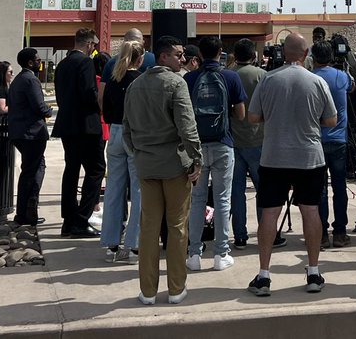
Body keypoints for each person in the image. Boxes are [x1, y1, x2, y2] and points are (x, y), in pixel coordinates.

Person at [245, 32, 337, 297]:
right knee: (310, 212)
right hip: (309, 157)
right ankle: (313, 272)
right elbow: (331, 120)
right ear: (306, 54)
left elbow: (253, 117)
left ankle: (263, 275)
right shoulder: (317, 81)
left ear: (284, 53)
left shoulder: (268, 80)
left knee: (270, 213)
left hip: (274, 156)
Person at [123, 37, 201, 304]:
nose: (183, 59)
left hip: (146, 164)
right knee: (177, 227)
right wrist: (196, 159)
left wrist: (139, 152)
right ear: (164, 57)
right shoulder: (176, 83)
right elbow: (187, 126)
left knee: (148, 227)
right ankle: (176, 288)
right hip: (174, 164)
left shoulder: (135, 85)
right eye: (179, 55)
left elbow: (127, 129)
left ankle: (147, 291)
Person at [184, 36, 247, 273]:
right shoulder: (230, 77)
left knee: (197, 200)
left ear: (199, 54)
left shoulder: (190, 78)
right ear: (220, 52)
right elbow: (240, 114)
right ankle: (221, 253)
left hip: (196, 146)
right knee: (222, 199)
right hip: (223, 143)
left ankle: (194, 254)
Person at [53, 28, 105, 239]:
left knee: (71, 169)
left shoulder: (63, 64)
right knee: (96, 169)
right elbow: (88, 93)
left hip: (67, 124)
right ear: (90, 44)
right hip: (86, 124)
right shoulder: (84, 63)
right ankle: (81, 219)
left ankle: (68, 220)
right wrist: (101, 102)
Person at [101, 39, 145, 262]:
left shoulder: (113, 80)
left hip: (115, 132)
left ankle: (111, 244)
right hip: (135, 134)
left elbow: (106, 111)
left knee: (114, 189)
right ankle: (134, 244)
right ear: (141, 58)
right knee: (138, 191)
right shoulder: (140, 81)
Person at [312, 40, 353, 248]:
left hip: (317, 140)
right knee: (340, 187)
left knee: (320, 190)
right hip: (338, 141)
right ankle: (340, 232)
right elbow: (353, 85)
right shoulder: (342, 77)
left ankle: (321, 235)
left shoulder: (311, 78)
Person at [8, 47, 52, 228]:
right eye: (37, 59)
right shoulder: (30, 80)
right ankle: (28, 211)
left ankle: (25, 212)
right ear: (29, 62)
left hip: (21, 132)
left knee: (31, 169)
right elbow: (39, 106)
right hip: (32, 134)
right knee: (33, 171)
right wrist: (49, 111)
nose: (40, 62)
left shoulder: (18, 79)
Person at [230, 39, 266, 249]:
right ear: (254, 56)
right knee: (264, 190)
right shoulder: (261, 75)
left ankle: (240, 235)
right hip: (258, 138)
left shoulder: (228, 75)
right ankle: (265, 231)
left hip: (233, 140)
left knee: (236, 191)